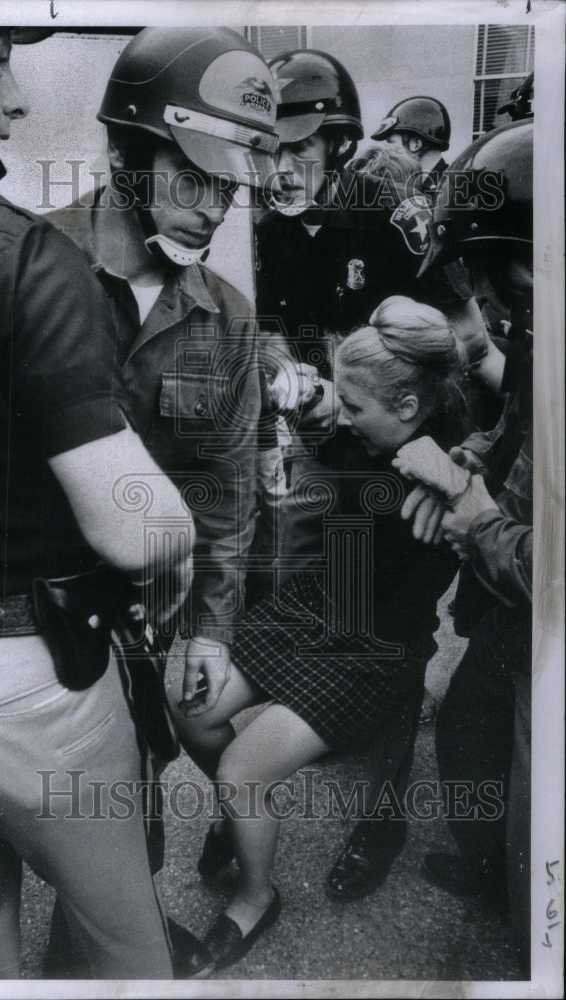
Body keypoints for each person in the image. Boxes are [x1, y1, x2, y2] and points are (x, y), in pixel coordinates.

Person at [0, 25, 195, 979]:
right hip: (23, 683)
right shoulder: (13, 250)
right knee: (122, 950)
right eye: (0, 60)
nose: (13, 98)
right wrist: (175, 547)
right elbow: (135, 524)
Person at [44, 26, 278, 976]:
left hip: (150, 615)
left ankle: (106, 947)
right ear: (121, 158)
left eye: (226, 187)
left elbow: (224, 493)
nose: (214, 208)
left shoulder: (224, 314)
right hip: (29, 616)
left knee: (137, 801)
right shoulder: (25, 268)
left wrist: (212, 631)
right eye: (194, 179)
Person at [173, 296, 466, 977]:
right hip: (313, 603)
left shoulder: (439, 480)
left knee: (243, 769)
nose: (342, 414)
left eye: (355, 405)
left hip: (373, 646)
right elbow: (288, 380)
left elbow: (410, 588)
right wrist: (291, 381)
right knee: (190, 703)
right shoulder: (365, 430)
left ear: (406, 407)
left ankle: (254, 898)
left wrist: (452, 493)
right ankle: (236, 815)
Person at [252, 48, 478, 903]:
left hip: (409, 460)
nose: (278, 171)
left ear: (341, 143)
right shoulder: (259, 221)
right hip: (323, 447)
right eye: (267, 151)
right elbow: (262, 322)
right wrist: (283, 369)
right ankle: (292, 768)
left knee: (400, 634)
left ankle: (381, 816)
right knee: (334, 612)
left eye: (297, 151)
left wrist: (440, 459)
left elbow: (462, 344)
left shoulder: (389, 213)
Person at [402, 119, 533, 971]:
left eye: (483, 276)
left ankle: (525, 913)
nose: (477, 302)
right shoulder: (537, 335)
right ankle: (494, 866)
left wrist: (478, 520)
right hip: (513, 591)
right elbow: (512, 429)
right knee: (473, 719)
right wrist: (468, 460)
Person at [370, 95, 452, 193]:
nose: (387, 151)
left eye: (391, 143)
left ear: (416, 144)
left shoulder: (453, 191)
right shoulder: (449, 184)